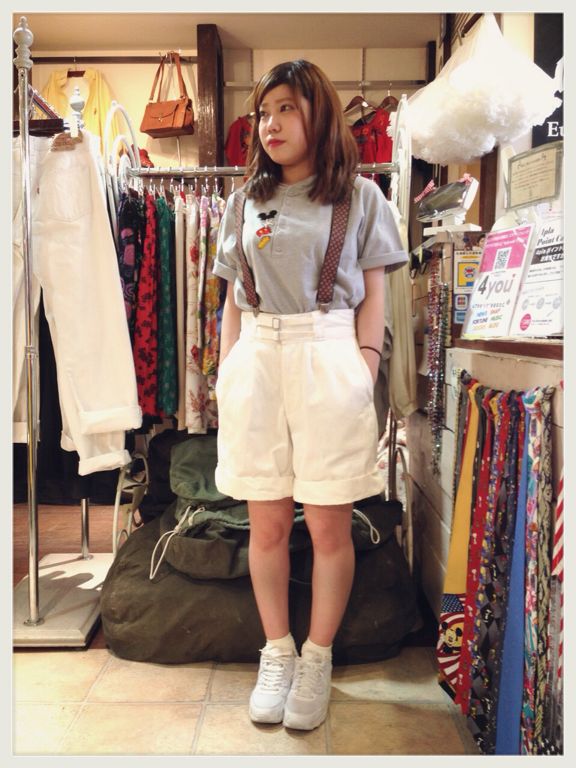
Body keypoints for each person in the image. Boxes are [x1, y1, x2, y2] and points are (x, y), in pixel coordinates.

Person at [212, 59, 407, 731]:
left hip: (329, 351)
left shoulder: (361, 197)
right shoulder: (243, 201)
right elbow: (232, 298)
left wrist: (364, 365)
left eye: (287, 108)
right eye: (263, 112)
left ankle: (317, 656)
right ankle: (277, 651)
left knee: (327, 525)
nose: (270, 124)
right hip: (258, 352)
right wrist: (228, 370)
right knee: (265, 524)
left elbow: (375, 294)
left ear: (319, 114)